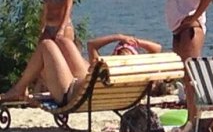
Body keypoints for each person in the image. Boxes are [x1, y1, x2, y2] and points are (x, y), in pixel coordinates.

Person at [1, 33, 162, 105]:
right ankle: (27, 85)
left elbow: (91, 44)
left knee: (46, 45)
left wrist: (119, 37)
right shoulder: (136, 73)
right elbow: (158, 49)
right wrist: (136, 44)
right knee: (63, 41)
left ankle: (19, 88)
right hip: (90, 94)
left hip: (70, 94)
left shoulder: (106, 68)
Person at [165, 0, 213, 132]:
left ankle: (193, 120)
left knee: (190, 75)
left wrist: (194, 15)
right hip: (178, 28)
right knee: (184, 76)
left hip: (191, 28)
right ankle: (190, 117)